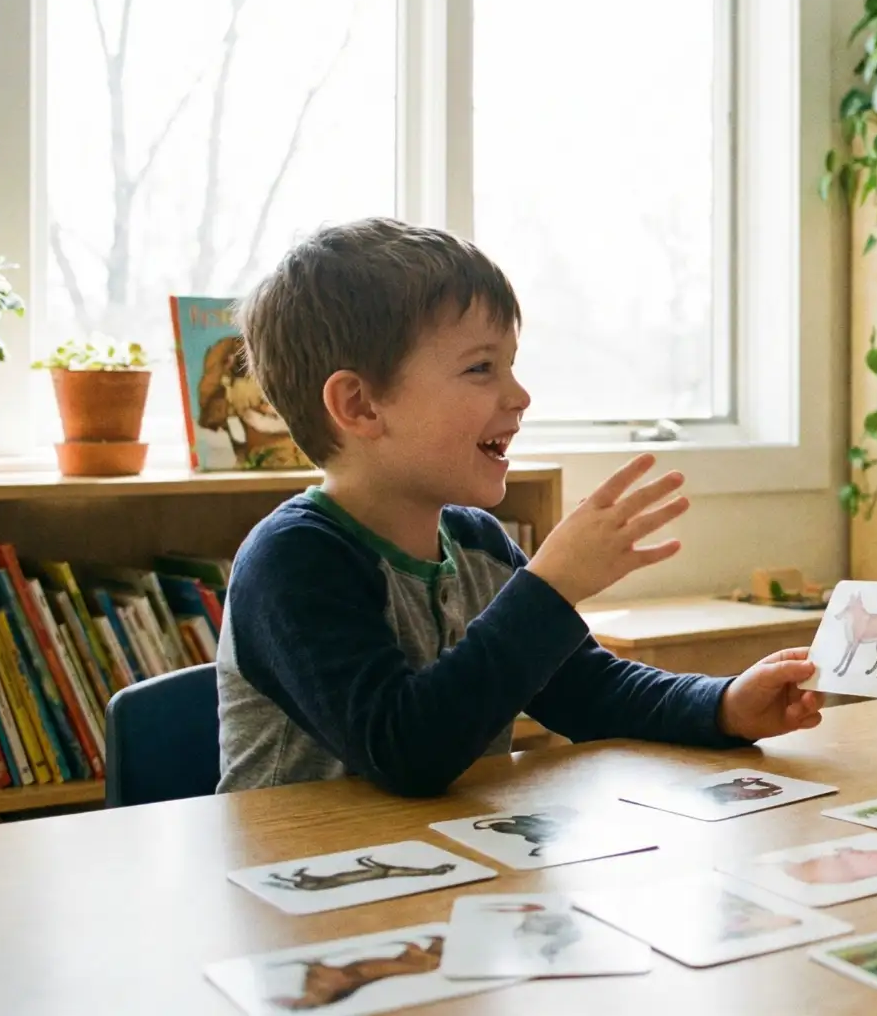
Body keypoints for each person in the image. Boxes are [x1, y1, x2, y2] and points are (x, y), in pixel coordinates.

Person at [215, 217, 821, 795]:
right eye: (481, 368)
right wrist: (549, 586)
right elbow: (405, 750)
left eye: (510, 365)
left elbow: (588, 691)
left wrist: (722, 707)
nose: (521, 395)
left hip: (441, 870)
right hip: (296, 883)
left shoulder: (478, 542)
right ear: (361, 406)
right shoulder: (293, 560)